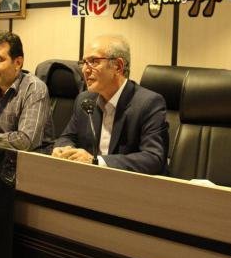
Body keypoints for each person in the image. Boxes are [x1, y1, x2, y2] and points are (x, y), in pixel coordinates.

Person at [52, 35, 168, 174]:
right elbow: (67, 137)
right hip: (87, 180)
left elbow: (153, 158)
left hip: (128, 184)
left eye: (93, 62)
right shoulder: (85, 100)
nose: (85, 70)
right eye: (84, 62)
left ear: (118, 66)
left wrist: (96, 161)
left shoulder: (149, 103)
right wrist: (64, 149)